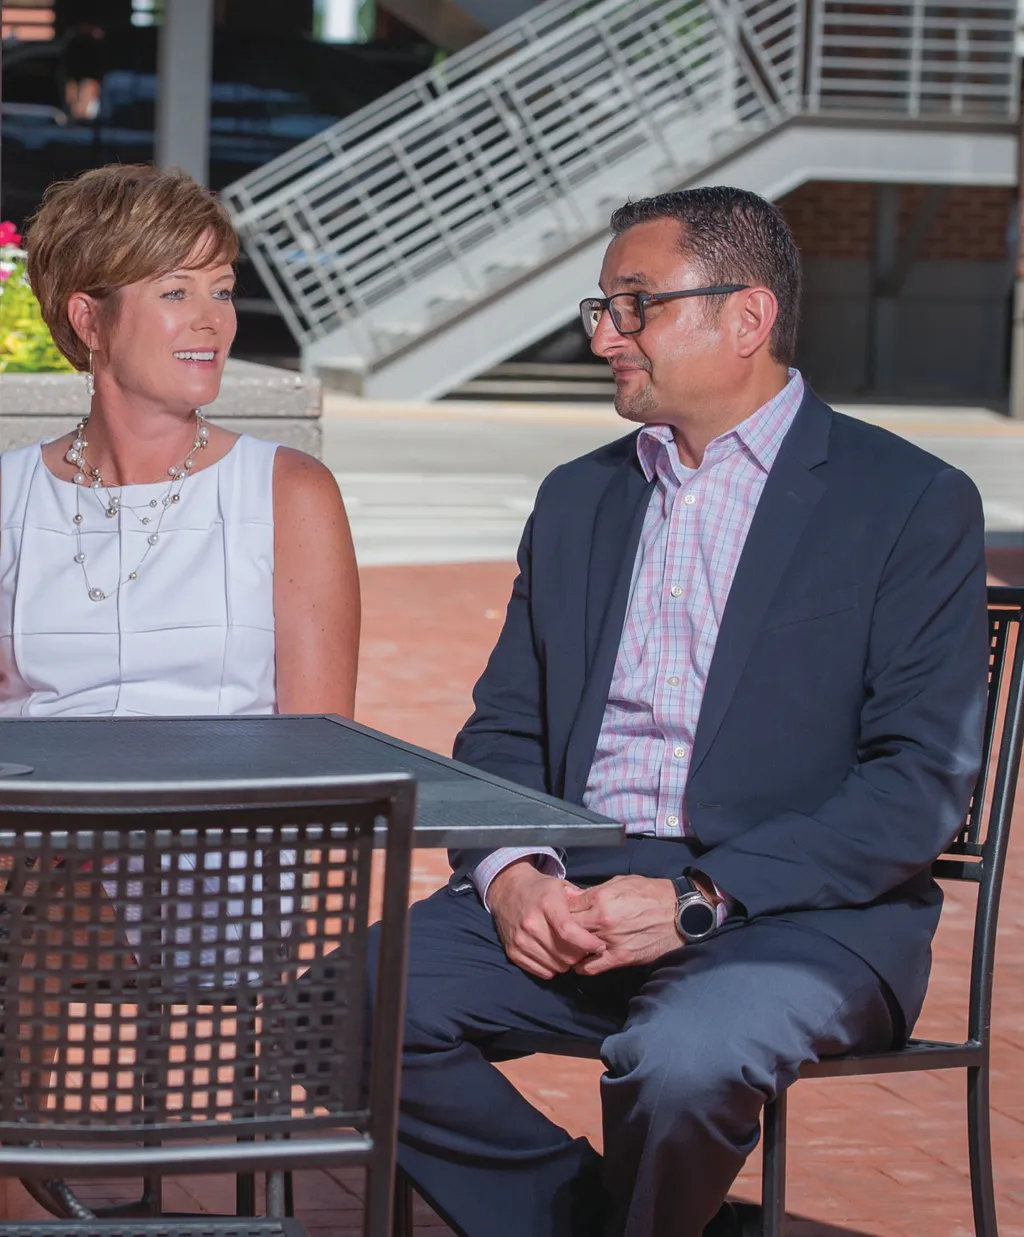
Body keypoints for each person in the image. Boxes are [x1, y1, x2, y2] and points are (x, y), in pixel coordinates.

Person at [367, 187, 989, 1237]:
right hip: (576, 896)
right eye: (602, 308)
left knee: (688, 1058)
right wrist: (512, 874)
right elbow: (503, 732)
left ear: (747, 317)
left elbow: (917, 785)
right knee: (337, 1006)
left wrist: (700, 898)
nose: (605, 336)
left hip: (798, 916)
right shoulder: (579, 498)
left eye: (636, 305)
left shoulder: (906, 501)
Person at [0, 163, 358, 718]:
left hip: (234, 779)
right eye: (175, 292)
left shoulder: (290, 493)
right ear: (88, 320)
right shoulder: (9, 495)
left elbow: (320, 747)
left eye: (222, 291)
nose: (211, 320)